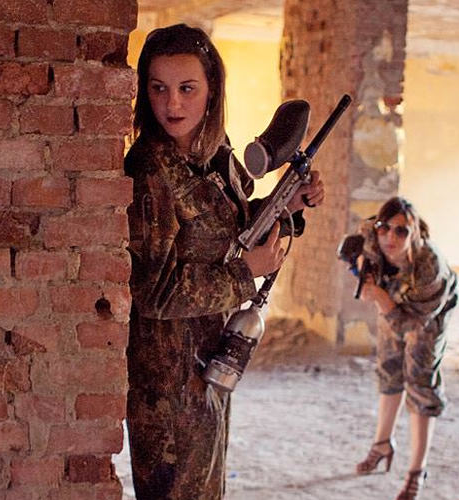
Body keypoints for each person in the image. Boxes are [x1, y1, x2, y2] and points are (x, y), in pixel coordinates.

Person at [124, 24, 324, 500]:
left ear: (212, 91)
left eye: (187, 89)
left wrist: (287, 206)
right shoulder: (150, 170)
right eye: (159, 89)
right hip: (167, 384)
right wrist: (244, 272)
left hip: (210, 361)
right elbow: (153, 293)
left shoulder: (213, 153)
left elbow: (224, 234)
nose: (172, 104)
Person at [352, 196, 458, 500]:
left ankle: (416, 470)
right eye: (385, 228)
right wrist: (362, 264)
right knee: (389, 370)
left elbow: (412, 325)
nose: (389, 237)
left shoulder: (430, 267)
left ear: (414, 233)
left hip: (427, 312)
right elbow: (357, 243)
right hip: (393, 295)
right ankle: (382, 445)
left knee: (420, 381)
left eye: (400, 231)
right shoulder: (374, 232)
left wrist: (380, 298)